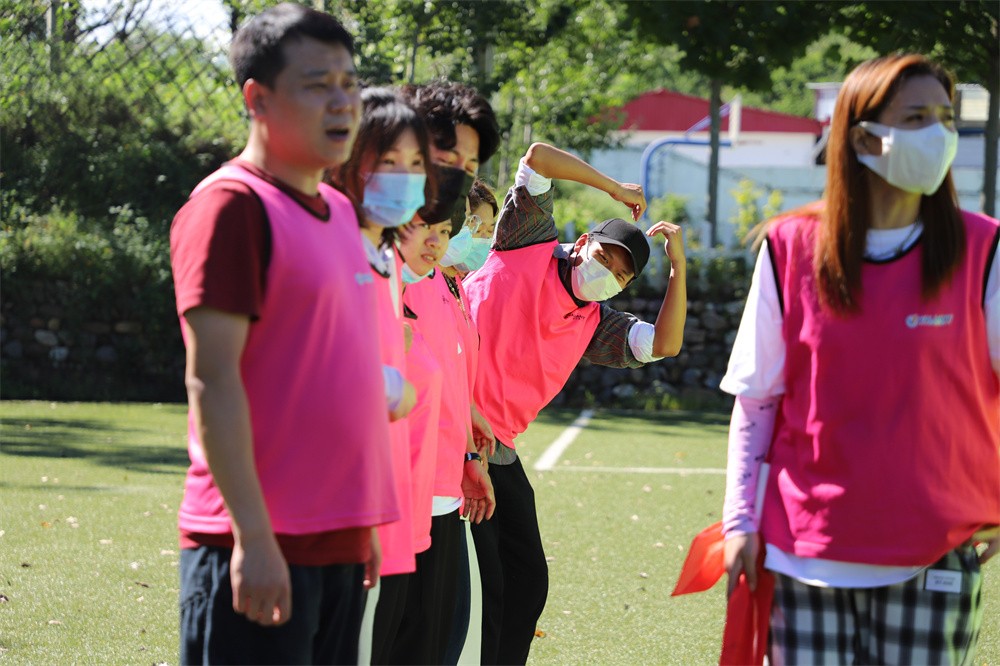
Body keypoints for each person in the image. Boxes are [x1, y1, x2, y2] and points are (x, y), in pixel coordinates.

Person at [720, 53, 1000, 665]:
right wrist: (739, 520)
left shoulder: (984, 247)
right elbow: (757, 398)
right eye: (917, 117)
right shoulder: (788, 247)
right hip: (802, 553)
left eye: (946, 118)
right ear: (864, 138)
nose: (939, 135)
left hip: (934, 550)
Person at [169, 5, 398, 663]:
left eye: (350, 83)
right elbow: (212, 380)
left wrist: (359, 520)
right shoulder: (231, 206)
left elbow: (339, 373)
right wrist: (252, 536)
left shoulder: (342, 211)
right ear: (257, 99)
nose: (343, 101)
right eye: (317, 84)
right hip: (255, 544)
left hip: (337, 540)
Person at [463, 141, 688, 664]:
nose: (607, 273)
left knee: (527, 580)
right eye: (605, 257)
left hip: (498, 447)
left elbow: (664, 344)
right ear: (583, 242)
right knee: (484, 583)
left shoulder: (597, 325)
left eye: (621, 275)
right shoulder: (529, 240)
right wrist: (614, 189)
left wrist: (678, 267)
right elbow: (538, 156)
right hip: (448, 424)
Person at [331, 86, 432, 664]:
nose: (405, 178)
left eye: (415, 163)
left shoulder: (383, 257)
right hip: (333, 509)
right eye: (387, 161)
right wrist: (393, 389)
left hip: (373, 503)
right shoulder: (334, 247)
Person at [440, 179, 499, 278]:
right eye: (478, 230)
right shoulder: (426, 276)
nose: (485, 238)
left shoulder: (456, 279)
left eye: (490, 231)